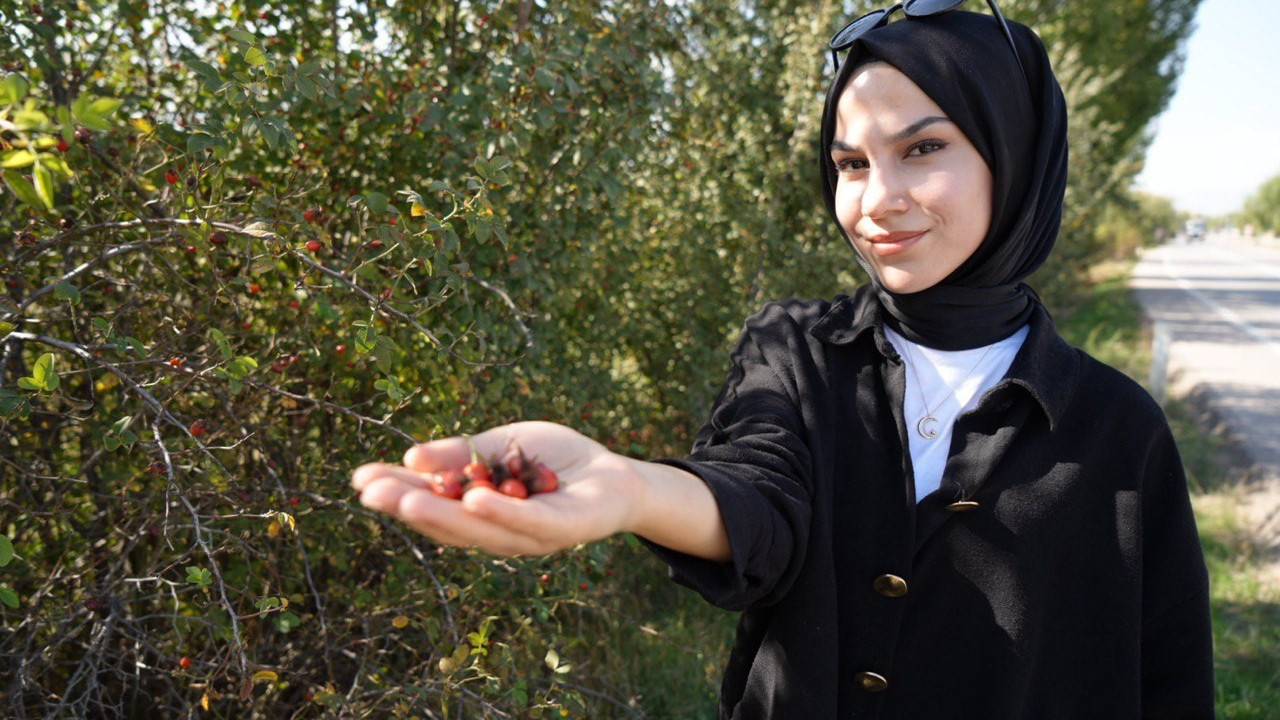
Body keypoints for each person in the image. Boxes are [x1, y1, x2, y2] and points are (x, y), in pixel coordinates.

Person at [351, 2, 1215, 717]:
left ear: (1015, 154)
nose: (876, 201)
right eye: (850, 163)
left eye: (923, 148)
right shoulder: (797, 350)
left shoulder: (1119, 429)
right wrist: (634, 490)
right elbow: (761, 495)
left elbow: (1169, 677)